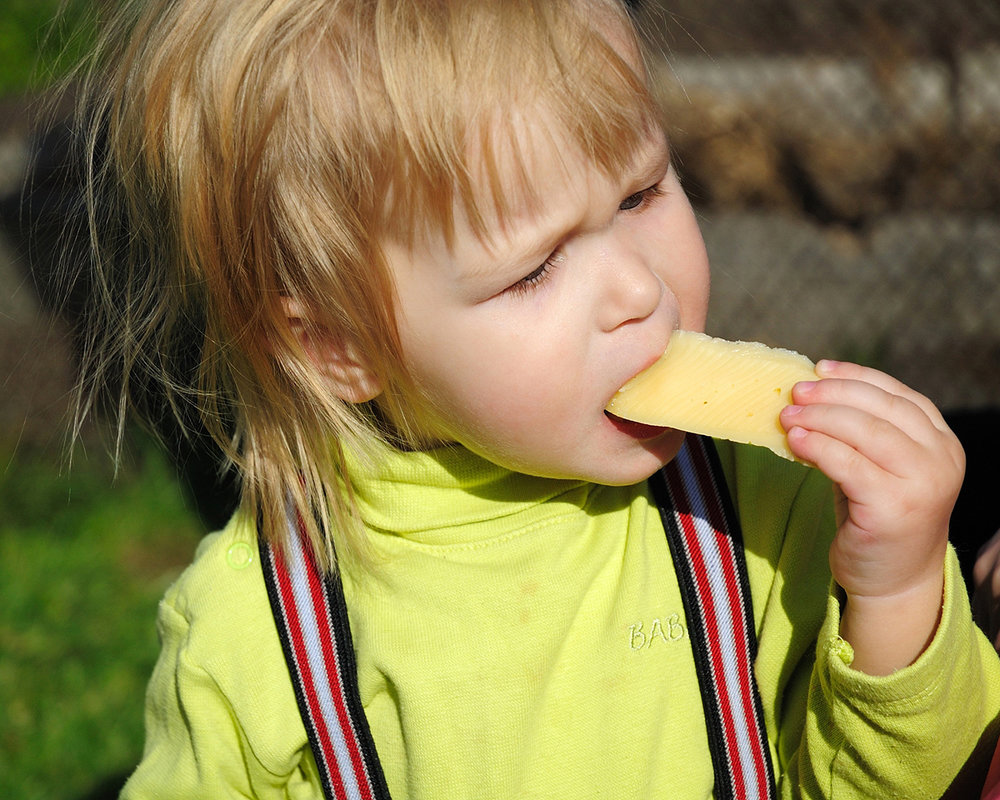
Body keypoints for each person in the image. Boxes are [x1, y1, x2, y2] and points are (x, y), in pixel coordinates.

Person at [66, 0, 1000, 797]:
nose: (640, 290)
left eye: (640, 194)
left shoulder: (763, 511)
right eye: (535, 268)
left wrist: (901, 592)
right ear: (340, 345)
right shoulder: (257, 637)